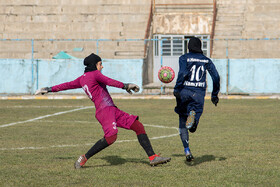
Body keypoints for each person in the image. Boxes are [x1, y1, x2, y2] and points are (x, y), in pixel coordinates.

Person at [35, 53, 171, 168]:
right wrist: (126, 85)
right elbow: (109, 81)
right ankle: (84, 158)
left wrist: (48, 88)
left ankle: (153, 157)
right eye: (100, 64)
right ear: (94, 65)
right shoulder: (94, 74)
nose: (102, 66)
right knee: (111, 137)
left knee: (138, 126)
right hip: (105, 111)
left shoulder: (82, 79)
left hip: (111, 109)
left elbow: (66, 85)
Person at [173, 37, 220, 162]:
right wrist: (214, 95)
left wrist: (177, 89)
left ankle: (187, 150)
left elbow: (182, 73)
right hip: (198, 94)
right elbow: (215, 77)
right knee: (192, 128)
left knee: (182, 121)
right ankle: (193, 117)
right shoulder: (206, 60)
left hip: (184, 92)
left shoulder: (183, 58)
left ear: (189, 46)